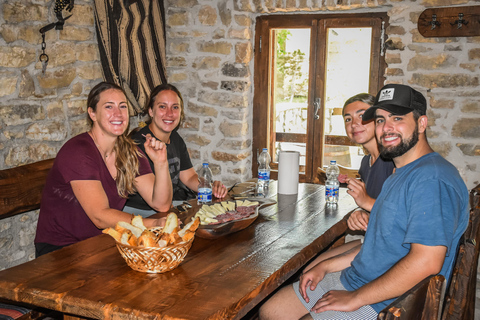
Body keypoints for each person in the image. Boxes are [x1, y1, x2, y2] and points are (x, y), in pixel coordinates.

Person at [259, 84, 469, 320]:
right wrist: (326, 266)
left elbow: (427, 262)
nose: (386, 128)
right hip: (359, 277)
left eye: (397, 118)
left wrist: (355, 298)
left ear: (421, 124)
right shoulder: (400, 172)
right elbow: (380, 246)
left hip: (393, 301)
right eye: (380, 120)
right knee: (271, 311)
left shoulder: (432, 179)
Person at [34, 82, 173, 257]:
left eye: (123, 106)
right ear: (92, 113)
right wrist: (151, 225)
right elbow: (99, 216)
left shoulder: (129, 152)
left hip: (100, 245)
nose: (118, 113)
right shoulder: (79, 151)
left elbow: (161, 203)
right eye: (109, 106)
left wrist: (161, 163)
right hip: (61, 250)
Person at [124, 83, 228, 217]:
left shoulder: (175, 138)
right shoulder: (137, 145)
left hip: (168, 205)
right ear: (151, 111)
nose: (170, 113)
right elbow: (159, 204)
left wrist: (208, 187)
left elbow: (189, 176)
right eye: (162, 107)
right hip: (142, 213)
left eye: (175, 107)